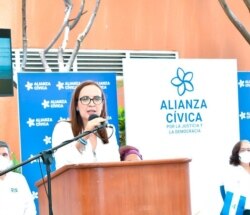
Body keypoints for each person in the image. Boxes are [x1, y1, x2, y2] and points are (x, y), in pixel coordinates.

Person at [52, 80, 120, 169]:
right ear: (76, 105)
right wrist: (85, 135)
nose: (91, 104)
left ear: (102, 104)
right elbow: (65, 166)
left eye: (97, 99)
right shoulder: (63, 128)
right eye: (85, 99)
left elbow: (115, 166)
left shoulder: (109, 130)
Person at [0, 140, 36, 215]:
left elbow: (30, 207)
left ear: (9, 156)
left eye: (4, 155)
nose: (1, 158)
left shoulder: (19, 179)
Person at [221, 140, 250, 215]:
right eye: (243, 150)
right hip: (240, 210)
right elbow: (233, 194)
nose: (246, 152)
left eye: (249, 150)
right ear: (237, 153)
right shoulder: (231, 170)